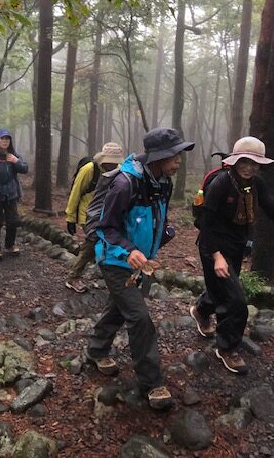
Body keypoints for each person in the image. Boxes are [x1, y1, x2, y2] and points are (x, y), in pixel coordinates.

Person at [189, 136, 274, 375]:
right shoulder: (220, 183)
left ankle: (201, 310)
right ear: (236, 161)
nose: (249, 167)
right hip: (213, 246)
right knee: (237, 300)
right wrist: (216, 255)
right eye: (245, 161)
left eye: (254, 163)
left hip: (237, 247)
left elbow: (272, 212)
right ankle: (227, 348)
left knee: (224, 289)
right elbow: (203, 223)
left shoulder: (256, 184)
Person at [86, 128, 194, 410]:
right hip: (115, 261)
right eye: (174, 156)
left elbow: (160, 214)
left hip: (142, 262)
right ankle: (152, 383)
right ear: (158, 157)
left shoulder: (162, 182)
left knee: (120, 309)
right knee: (140, 317)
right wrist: (128, 249)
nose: (178, 161)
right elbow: (105, 226)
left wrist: (164, 231)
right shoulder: (124, 184)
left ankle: (96, 350)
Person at [65, 142, 124, 293]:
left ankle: (108, 277)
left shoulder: (120, 170)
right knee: (91, 245)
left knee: (106, 245)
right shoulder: (89, 169)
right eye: (110, 161)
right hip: (88, 215)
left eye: (115, 161)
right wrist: (70, 217)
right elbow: (75, 192)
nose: (112, 164)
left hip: (108, 215)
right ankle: (73, 277)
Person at [0, 129, 28, 259]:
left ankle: (10, 245)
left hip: (11, 193)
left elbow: (25, 169)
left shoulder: (14, 155)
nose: (4, 141)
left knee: (12, 221)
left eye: (7, 139)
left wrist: (16, 161)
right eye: (2, 139)